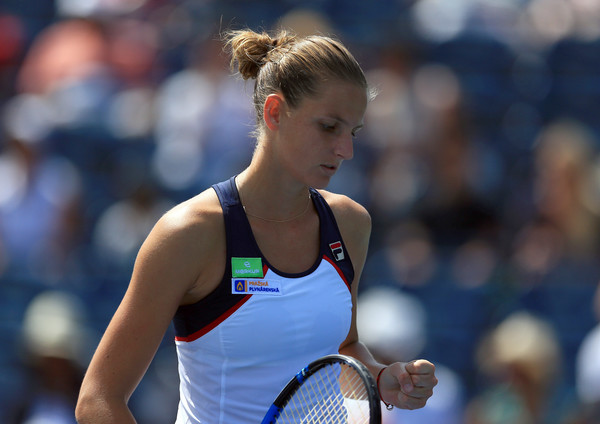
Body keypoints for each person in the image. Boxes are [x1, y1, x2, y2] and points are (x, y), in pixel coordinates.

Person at [75, 28, 438, 423]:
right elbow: (98, 400)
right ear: (275, 112)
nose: (345, 150)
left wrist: (382, 378)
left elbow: (344, 347)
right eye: (329, 127)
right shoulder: (188, 233)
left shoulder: (350, 224)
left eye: (352, 132)